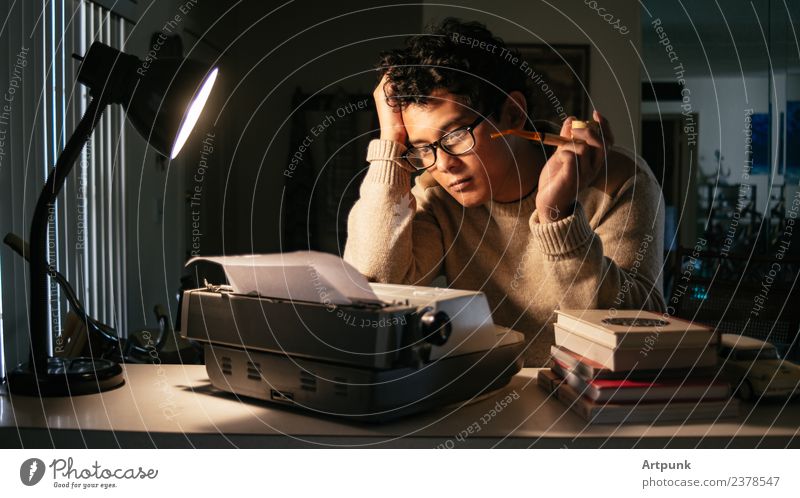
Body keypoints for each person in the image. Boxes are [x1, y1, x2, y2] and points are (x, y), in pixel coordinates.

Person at [343, 18, 666, 366]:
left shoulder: (616, 181)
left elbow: (638, 325)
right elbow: (370, 289)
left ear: (512, 112)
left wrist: (556, 214)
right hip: (480, 394)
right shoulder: (439, 197)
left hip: (593, 404)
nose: (443, 165)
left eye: (453, 136)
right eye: (422, 148)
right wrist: (391, 142)